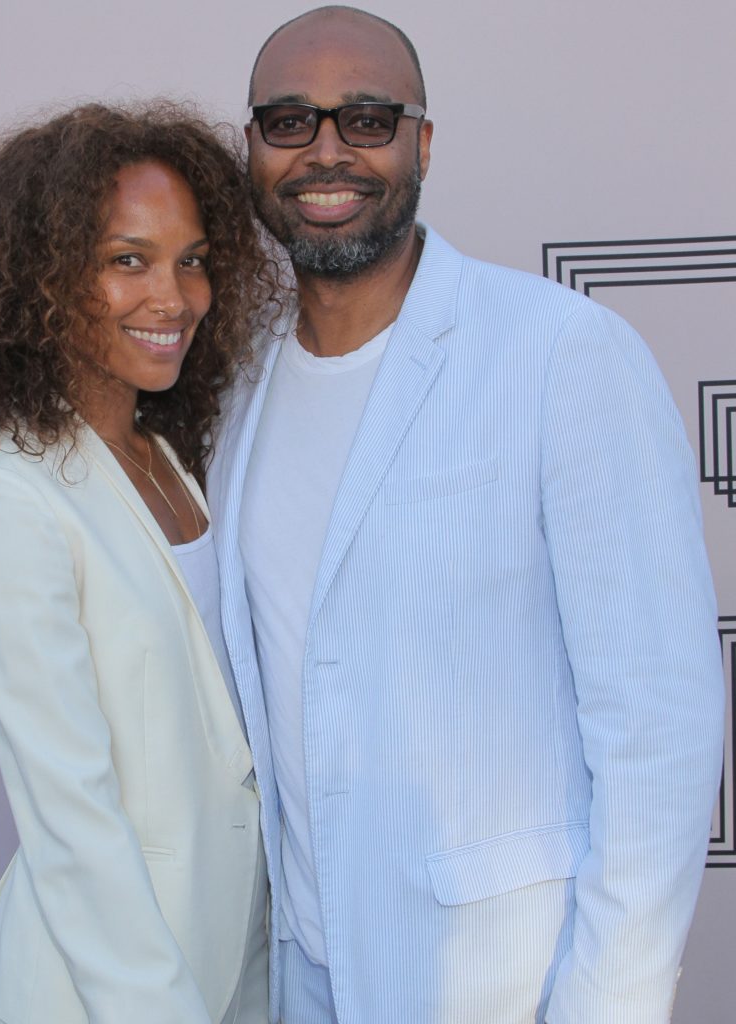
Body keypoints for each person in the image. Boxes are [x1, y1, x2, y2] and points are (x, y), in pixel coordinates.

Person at [206, 7, 725, 1023]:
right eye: (288, 121)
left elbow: (656, 720)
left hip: (501, 981)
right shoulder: (234, 387)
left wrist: (606, 1003)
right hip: (300, 974)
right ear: (252, 148)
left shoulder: (558, 352)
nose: (325, 152)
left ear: (422, 143)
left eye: (366, 119)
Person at [0, 103, 279, 1024]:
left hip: (236, 962)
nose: (173, 298)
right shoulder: (11, 497)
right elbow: (71, 817)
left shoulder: (169, 460)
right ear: (42, 278)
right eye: (127, 261)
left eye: (192, 261)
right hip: (108, 992)